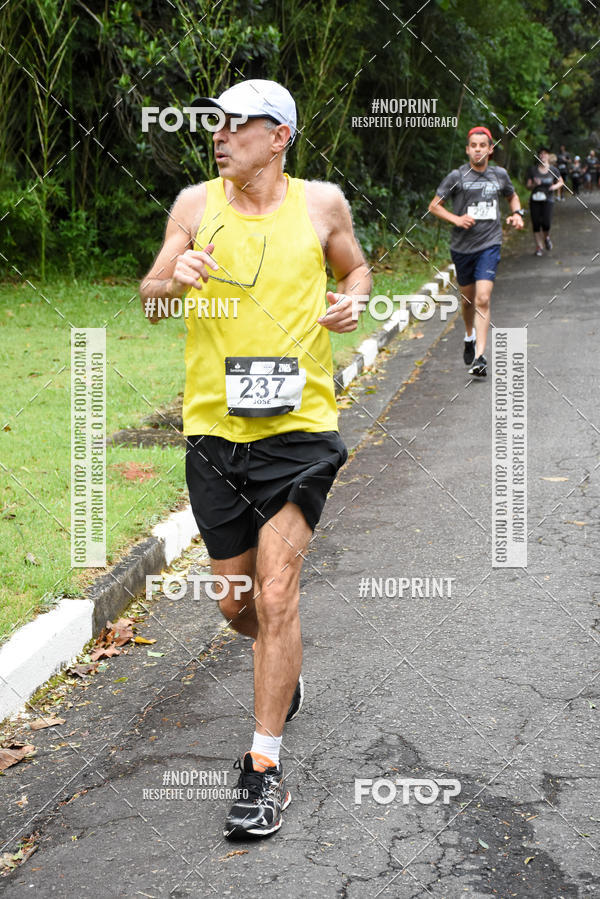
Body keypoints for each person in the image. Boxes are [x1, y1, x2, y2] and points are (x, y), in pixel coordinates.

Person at [139, 79, 371, 839]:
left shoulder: (321, 204)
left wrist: (353, 300)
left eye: (241, 123)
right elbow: (150, 297)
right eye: (216, 122)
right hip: (214, 433)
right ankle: (285, 665)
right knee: (236, 604)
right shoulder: (193, 207)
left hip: (300, 428)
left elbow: (355, 269)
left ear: (281, 137)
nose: (222, 133)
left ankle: (262, 767)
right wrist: (174, 281)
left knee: (276, 595)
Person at [428, 126, 524, 378]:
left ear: (490, 150)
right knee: (468, 299)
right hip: (462, 247)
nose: (478, 149)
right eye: (474, 145)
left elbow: (512, 197)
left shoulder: (499, 175)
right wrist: (456, 219)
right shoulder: (457, 176)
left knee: (483, 297)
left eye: (483, 145)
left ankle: (480, 356)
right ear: (468, 149)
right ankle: (469, 335)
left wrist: (517, 214)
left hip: (489, 243)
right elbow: (434, 206)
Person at [526, 148, 563, 256]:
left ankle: (546, 237)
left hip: (548, 199)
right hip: (535, 199)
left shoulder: (553, 170)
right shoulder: (533, 170)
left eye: (544, 154)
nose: (542, 156)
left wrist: (554, 187)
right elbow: (528, 186)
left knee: (546, 223)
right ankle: (539, 247)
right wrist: (534, 184)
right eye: (540, 154)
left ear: (548, 156)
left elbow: (561, 182)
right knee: (536, 224)